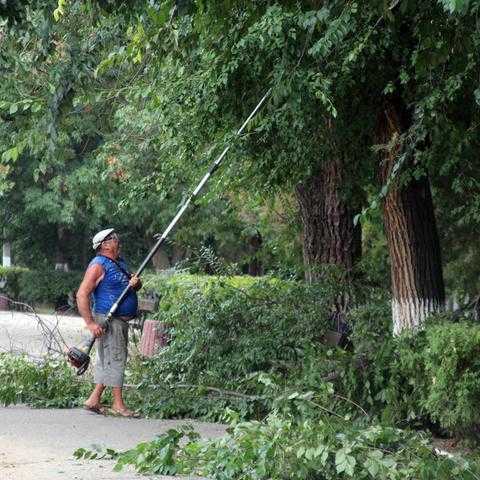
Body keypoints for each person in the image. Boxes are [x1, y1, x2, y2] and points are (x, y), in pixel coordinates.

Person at [76, 228, 142, 417]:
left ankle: (93, 399)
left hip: (119, 320)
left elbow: (132, 285)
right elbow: (82, 294)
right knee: (117, 358)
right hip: (109, 319)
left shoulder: (119, 262)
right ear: (104, 245)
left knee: (108, 359)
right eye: (114, 238)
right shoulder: (98, 265)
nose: (118, 240)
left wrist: (136, 284)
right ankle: (118, 405)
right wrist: (90, 323)